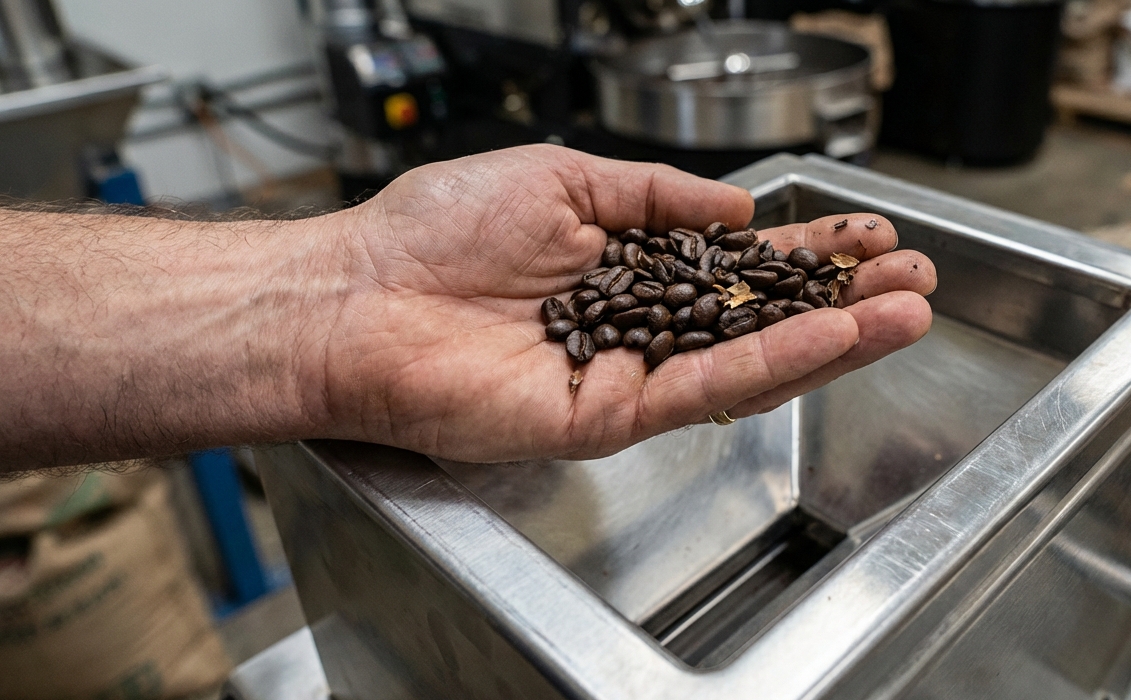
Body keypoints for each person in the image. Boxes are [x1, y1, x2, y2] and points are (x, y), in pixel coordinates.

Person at [0, 145, 937, 473]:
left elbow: (679, 293)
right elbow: (646, 301)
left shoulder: (686, 279)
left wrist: (320, 306)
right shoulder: (632, 289)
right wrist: (337, 290)